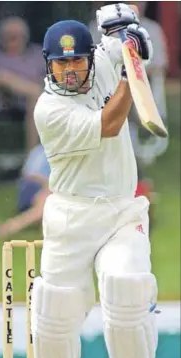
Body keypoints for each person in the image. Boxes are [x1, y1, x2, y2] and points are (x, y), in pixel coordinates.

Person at [31, 4, 158, 358]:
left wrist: (133, 38)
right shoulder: (49, 111)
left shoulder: (104, 58)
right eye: (61, 62)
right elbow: (109, 122)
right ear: (49, 66)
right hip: (70, 216)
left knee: (125, 292)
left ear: (90, 57)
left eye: (76, 60)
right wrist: (129, 70)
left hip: (121, 211)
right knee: (52, 311)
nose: (70, 69)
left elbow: (126, 34)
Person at [88, 1, 169, 228]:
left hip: (138, 97)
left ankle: (137, 200)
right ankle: (133, 200)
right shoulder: (98, 26)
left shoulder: (150, 30)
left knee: (124, 142)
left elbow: (157, 66)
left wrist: (134, 66)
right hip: (103, 96)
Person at [0, 16, 45, 153]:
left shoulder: (38, 54)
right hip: (4, 99)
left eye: (16, 36)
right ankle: (32, 157)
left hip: (34, 101)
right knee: (1, 75)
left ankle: (31, 155)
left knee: (36, 99)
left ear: (25, 38)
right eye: (7, 36)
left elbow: (52, 76)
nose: (11, 40)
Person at [0, 144, 51, 238]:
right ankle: (12, 226)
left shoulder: (39, 150)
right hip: (35, 189)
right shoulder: (43, 152)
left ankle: (13, 225)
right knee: (48, 199)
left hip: (39, 191)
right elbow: (32, 175)